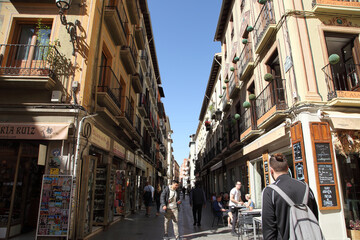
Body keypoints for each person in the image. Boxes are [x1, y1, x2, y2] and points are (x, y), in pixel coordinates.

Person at [262, 153, 319, 240]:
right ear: (288, 168)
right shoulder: (305, 187)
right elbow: (315, 216)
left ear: (271, 171)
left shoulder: (270, 191)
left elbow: (269, 230)